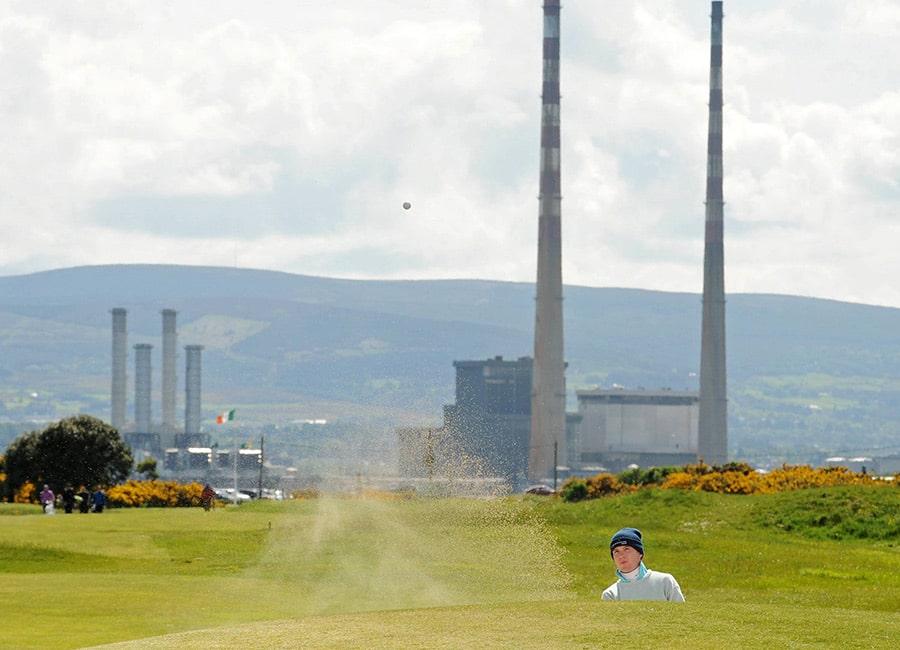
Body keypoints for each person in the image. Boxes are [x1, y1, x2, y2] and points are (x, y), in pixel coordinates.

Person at [601, 527, 684, 602]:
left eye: (626, 549)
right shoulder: (610, 595)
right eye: (616, 551)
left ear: (640, 554)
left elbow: (682, 615)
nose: (621, 555)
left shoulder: (665, 582)